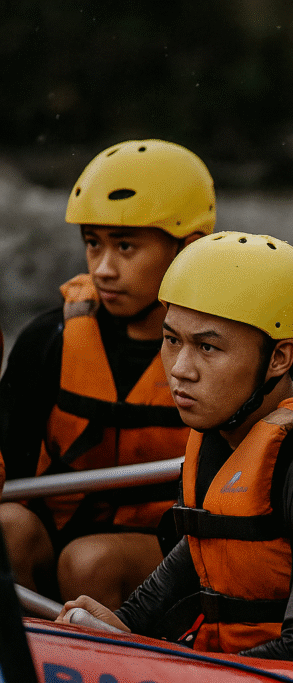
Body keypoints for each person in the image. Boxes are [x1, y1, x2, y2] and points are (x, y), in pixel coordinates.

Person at [57, 231, 293, 661]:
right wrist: (127, 624)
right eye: (172, 339)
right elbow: (209, 546)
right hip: (232, 661)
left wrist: (180, 667)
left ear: (280, 357)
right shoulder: (225, 428)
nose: (181, 370)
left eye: (207, 346)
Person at [0, 140, 215, 608]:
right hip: (58, 529)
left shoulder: (222, 348)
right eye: (93, 244)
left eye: (126, 247)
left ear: (189, 249)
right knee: (7, 528)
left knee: (89, 561)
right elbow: (10, 459)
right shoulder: (49, 339)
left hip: (164, 546)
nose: (103, 269)